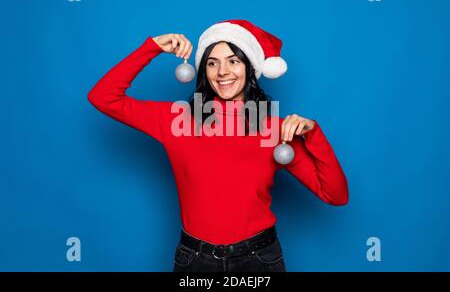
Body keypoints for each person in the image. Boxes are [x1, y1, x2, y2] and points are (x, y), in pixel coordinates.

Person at [87, 20, 349, 272]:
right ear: (204, 71)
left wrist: (314, 133)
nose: (222, 71)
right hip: (195, 260)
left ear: (250, 68)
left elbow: (335, 195)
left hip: (259, 259)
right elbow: (103, 97)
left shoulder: (274, 130)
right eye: (213, 63)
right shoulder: (176, 119)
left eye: (233, 61)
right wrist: (152, 47)